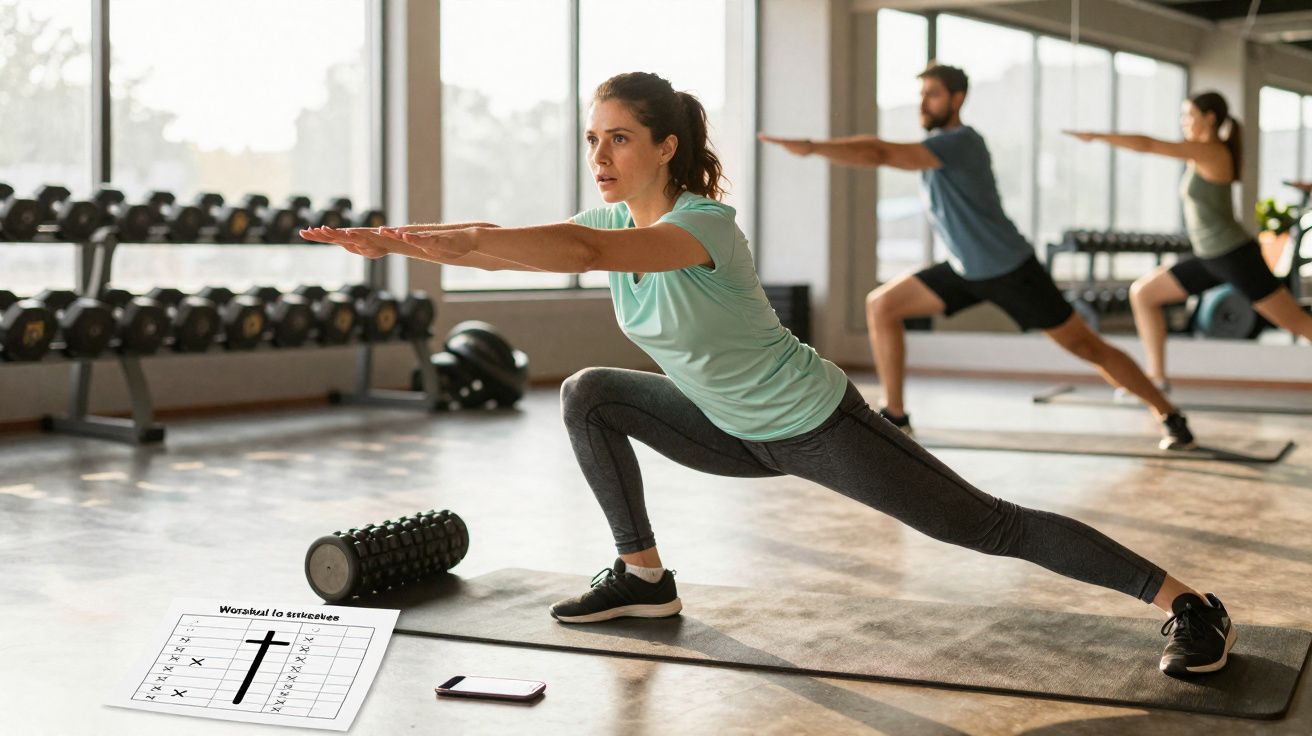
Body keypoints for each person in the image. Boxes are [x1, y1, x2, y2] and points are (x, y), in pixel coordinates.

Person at [301, 71, 1235, 675]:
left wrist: (421, 241)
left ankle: (1188, 604)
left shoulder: (700, 225)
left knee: (982, 525)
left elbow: (568, 245)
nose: (599, 155)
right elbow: (501, 246)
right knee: (591, 392)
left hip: (816, 426)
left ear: (666, 145)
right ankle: (643, 576)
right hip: (725, 429)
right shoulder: (624, 225)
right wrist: (394, 240)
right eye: (592, 139)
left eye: (618, 138)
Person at [759, 63, 1195, 450]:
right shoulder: (934, 147)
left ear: (956, 98)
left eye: (932, 94)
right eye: (921, 95)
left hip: (1011, 268)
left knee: (1086, 346)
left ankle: (1168, 413)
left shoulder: (961, 142)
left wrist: (814, 146)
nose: (923, 103)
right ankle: (896, 414)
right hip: (965, 269)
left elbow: (881, 153)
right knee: (883, 305)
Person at [1068, 92, 1312, 383]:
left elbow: (1149, 145)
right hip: (1209, 257)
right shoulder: (1202, 154)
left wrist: (1097, 136)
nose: (1184, 122)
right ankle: (1156, 378)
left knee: (1298, 323)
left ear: (1209, 118)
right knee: (1143, 294)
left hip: (1233, 255)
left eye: (1189, 115)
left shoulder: (1212, 152)